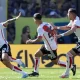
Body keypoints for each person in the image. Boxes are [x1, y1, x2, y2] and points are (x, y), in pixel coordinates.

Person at [0, 12, 28, 78]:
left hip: (4, 45)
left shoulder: (0, 25)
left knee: (4, 58)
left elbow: (7, 22)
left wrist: (16, 18)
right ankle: (24, 73)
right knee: (7, 64)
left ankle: (16, 61)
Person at [54, 8, 79, 78]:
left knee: (69, 54)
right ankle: (67, 73)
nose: (67, 15)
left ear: (72, 14)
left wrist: (61, 35)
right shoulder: (73, 21)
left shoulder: (76, 21)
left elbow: (72, 30)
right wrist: (56, 27)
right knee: (69, 55)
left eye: (68, 13)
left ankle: (67, 74)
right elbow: (66, 27)